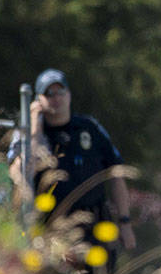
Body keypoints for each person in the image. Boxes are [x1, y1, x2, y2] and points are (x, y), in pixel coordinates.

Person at [8, 68, 136, 260]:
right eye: (49, 93)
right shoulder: (29, 134)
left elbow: (116, 174)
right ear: (38, 100)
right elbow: (22, 172)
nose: (56, 98)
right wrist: (34, 126)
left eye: (60, 91)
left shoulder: (89, 128)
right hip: (52, 230)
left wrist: (125, 222)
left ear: (69, 94)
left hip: (95, 227)